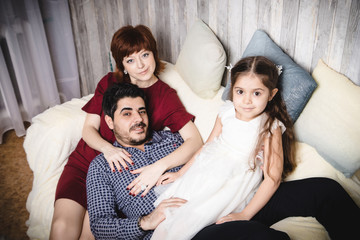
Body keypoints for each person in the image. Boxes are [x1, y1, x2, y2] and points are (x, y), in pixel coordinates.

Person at [50, 24, 202, 240]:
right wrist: (108, 149)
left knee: (89, 234)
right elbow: (88, 129)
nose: (140, 65)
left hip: (119, 176)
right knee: (62, 228)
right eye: (130, 60)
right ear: (121, 65)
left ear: (154, 54)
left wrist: (157, 168)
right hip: (89, 161)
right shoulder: (109, 82)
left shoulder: (165, 95)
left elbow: (195, 141)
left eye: (145, 55)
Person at [150, 56, 296, 240]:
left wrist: (245, 215)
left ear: (271, 94)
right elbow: (207, 146)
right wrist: (181, 174)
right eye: (240, 91)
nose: (247, 100)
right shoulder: (226, 111)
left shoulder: (269, 126)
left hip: (232, 183)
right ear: (232, 89)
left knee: (190, 225)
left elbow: (273, 179)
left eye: (257, 93)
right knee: (169, 219)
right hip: (204, 172)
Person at [87, 82, 189, 239]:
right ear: (110, 122)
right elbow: (100, 226)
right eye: (127, 114)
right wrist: (147, 221)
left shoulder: (174, 140)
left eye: (142, 111)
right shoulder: (102, 167)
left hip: (208, 215)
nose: (138, 119)